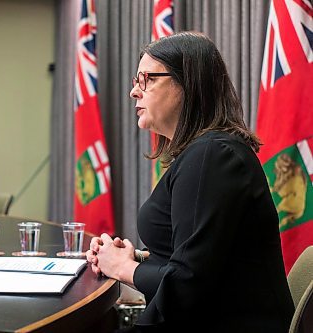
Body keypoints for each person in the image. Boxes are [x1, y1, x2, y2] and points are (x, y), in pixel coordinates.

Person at [86, 32, 294, 332]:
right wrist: (136, 259)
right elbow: (199, 261)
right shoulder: (204, 154)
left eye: (147, 79)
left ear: (187, 85)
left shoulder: (212, 156)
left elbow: (189, 284)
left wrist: (121, 267)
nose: (135, 91)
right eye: (136, 80)